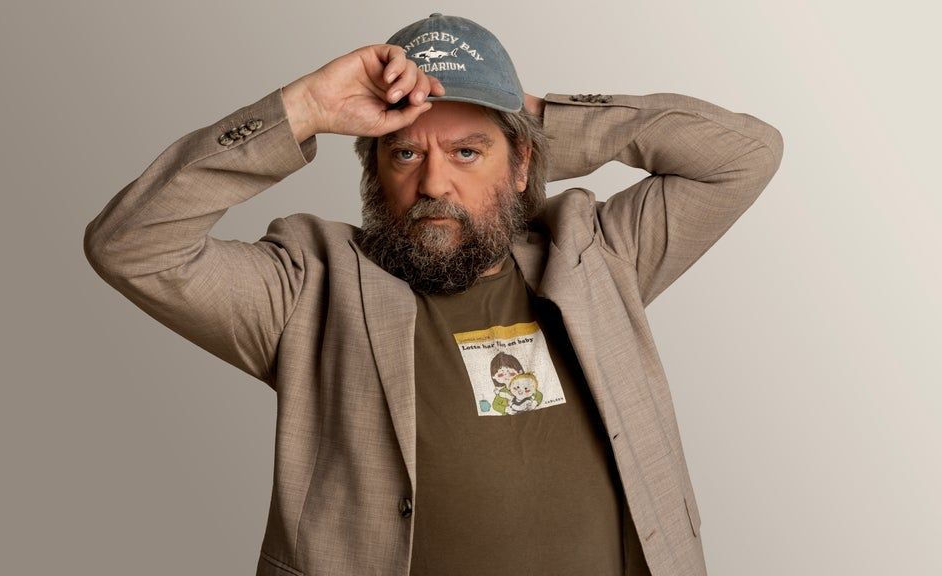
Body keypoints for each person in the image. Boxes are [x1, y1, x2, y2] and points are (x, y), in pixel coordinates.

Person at [83, 12, 782, 576]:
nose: (434, 183)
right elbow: (131, 245)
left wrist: (532, 114)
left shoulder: (600, 253)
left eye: (467, 151)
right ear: (374, 167)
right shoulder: (307, 291)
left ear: (521, 165)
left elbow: (746, 155)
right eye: (406, 153)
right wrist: (305, 108)